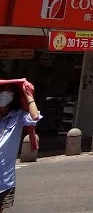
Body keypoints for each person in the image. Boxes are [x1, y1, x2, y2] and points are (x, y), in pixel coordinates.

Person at [0, 79, 41, 210]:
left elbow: (34, 117)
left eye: (9, 92)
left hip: (4, 179)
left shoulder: (18, 116)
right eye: (2, 91)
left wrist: (28, 94)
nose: (5, 94)